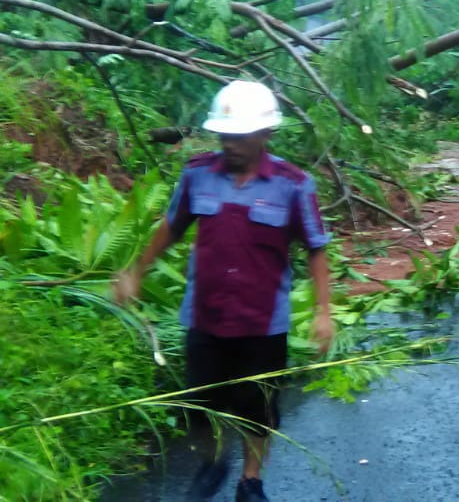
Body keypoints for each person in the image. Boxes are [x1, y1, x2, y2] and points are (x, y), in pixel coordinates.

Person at [113, 80, 333, 502]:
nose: (229, 144)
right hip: (204, 315)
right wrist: (136, 272)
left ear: (266, 134)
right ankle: (212, 462)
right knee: (197, 404)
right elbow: (172, 227)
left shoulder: (293, 184)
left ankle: (250, 481)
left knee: (258, 409)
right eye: (224, 135)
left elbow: (316, 249)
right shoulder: (197, 174)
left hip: (262, 322)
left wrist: (324, 313)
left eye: (239, 136)